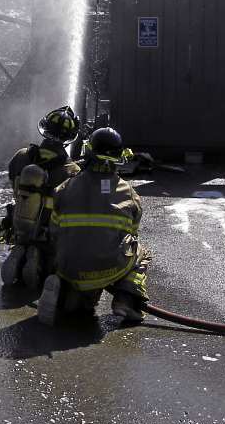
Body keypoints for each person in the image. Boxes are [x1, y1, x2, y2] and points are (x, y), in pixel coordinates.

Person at [38, 126, 151, 325]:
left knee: (80, 301)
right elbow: (132, 233)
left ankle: (63, 288)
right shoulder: (128, 192)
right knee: (141, 252)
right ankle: (126, 299)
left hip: (68, 265)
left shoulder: (65, 187)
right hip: (109, 268)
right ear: (119, 158)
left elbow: (54, 231)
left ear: (88, 151)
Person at [0, 106, 81, 289]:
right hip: (48, 231)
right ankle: (40, 257)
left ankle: (20, 247)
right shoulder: (71, 170)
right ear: (69, 138)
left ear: (44, 129)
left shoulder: (21, 156)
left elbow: (13, 182)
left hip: (19, 222)